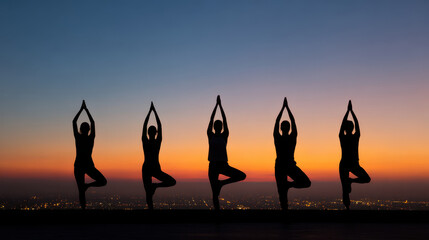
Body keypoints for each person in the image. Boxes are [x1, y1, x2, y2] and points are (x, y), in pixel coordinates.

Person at [207, 95, 246, 210]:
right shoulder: (211, 136)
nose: (218, 126)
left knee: (241, 175)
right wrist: (216, 106)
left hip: (223, 165)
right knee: (214, 194)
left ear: (221, 127)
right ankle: (218, 215)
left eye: (219, 125)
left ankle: (221, 184)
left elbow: (225, 120)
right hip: (213, 165)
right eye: (216, 125)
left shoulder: (224, 136)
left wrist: (221, 106)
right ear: (214, 127)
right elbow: (210, 120)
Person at [274, 97, 311, 210]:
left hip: (288, 165)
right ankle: (285, 213)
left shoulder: (286, 138)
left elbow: (279, 123)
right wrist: (286, 108)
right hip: (283, 166)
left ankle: (288, 185)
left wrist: (284, 109)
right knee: (282, 195)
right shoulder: (284, 138)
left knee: (284, 192)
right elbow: (291, 123)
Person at [73, 100, 107, 210]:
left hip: (81, 165)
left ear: (81, 129)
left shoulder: (79, 138)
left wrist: (81, 110)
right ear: (88, 130)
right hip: (85, 165)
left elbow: (74, 122)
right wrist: (86, 110)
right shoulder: (90, 138)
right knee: (102, 181)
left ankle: (84, 206)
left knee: (81, 190)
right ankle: (86, 188)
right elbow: (92, 122)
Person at [142, 102, 176, 210]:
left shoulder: (148, 141)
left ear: (149, 133)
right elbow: (159, 126)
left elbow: (145, 125)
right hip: (151, 168)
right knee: (149, 192)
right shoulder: (155, 142)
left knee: (148, 193)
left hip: (150, 167)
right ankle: (155, 189)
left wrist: (150, 112)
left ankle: (155, 188)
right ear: (154, 133)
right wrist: (154, 111)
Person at [339, 100, 371, 210]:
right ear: (351, 128)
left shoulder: (344, 137)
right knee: (347, 187)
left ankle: (350, 182)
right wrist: (351, 112)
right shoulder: (354, 137)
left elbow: (343, 126)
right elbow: (357, 125)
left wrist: (348, 112)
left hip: (347, 164)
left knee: (345, 187)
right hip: (350, 164)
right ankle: (347, 207)